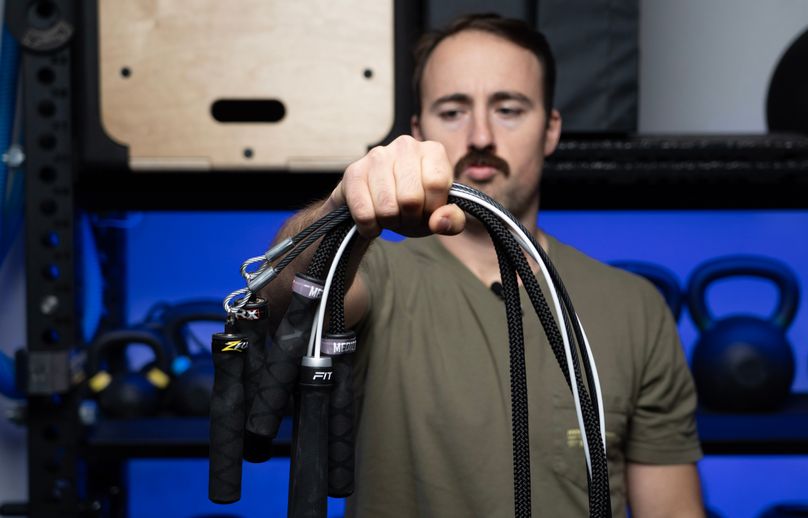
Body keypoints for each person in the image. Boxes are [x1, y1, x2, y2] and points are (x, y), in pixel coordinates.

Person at [265, 13, 705, 518]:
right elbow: (287, 292)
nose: (480, 136)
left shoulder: (634, 309)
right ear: (418, 132)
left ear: (550, 130)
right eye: (452, 111)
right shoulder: (375, 276)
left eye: (508, 109)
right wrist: (340, 211)